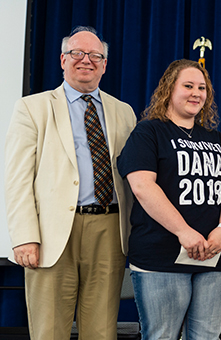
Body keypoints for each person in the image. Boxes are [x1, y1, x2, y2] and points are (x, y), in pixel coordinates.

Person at [4, 26, 136, 340]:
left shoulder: (125, 113)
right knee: (49, 330)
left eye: (95, 55)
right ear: (63, 59)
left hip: (109, 230)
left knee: (102, 332)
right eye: (77, 53)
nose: (85, 60)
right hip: (51, 235)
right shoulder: (32, 108)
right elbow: (17, 178)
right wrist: (24, 236)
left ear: (104, 64)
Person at [117, 59, 221, 339]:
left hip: (214, 258)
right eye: (188, 86)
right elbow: (142, 186)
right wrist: (184, 232)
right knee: (161, 335)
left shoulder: (217, 139)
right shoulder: (148, 132)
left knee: (207, 336)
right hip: (160, 257)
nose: (196, 93)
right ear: (168, 90)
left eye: (202, 87)